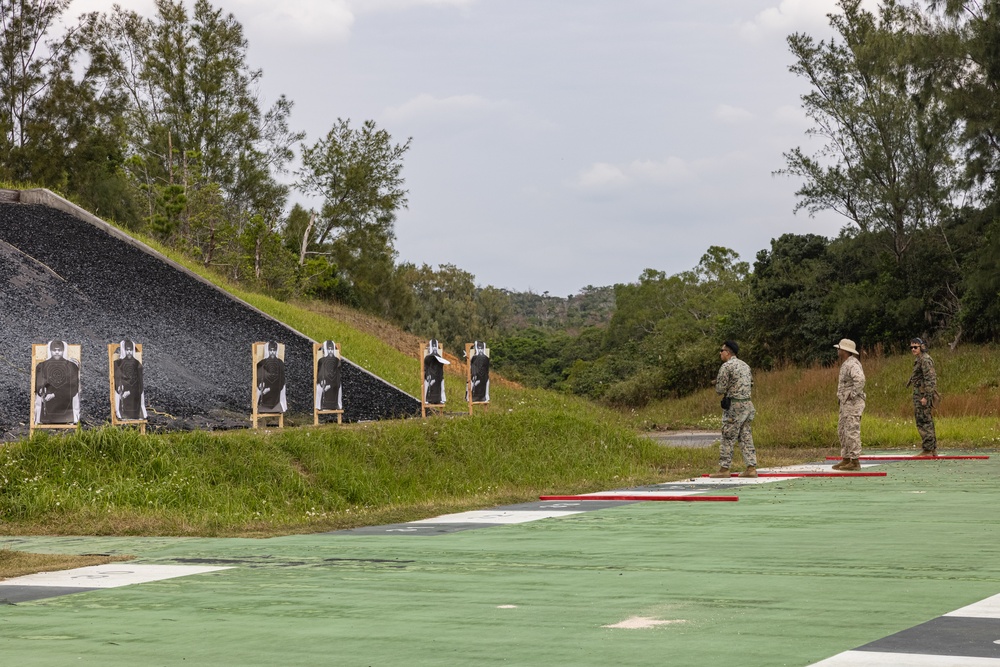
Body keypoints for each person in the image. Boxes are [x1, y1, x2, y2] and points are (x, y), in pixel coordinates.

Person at [709, 340, 758, 478]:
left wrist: (717, 384)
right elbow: (751, 383)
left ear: (728, 352)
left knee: (727, 436)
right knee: (746, 436)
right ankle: (751, 467)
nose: (720, 353)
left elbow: (720, 389)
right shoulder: (745, 365)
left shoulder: (726, 366)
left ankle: (724, 469)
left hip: (734, 406)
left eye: (721, 350)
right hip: (747, 405)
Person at [832, 338, 866, 471]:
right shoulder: (846, 363)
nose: (838, 350)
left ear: (845, 350)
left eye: (840, 348)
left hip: (853, 404)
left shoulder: (852, 364)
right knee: (842, 430)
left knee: (852, 431)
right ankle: (846, 458)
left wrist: (852, 394)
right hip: (845, 404)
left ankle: (855, 460)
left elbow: (860, 380)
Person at [34, 340, 80, 425]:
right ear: (50, 351)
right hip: (47, 407)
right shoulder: (41, 366)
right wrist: (41, 389)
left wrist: (55, 394)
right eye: (54, 350)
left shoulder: (72, 366)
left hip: (66, 408)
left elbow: (73, 387)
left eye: (59, 350)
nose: (57, 352)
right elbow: (38, 383)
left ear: (63, 351)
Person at [906, 337, 938, 455]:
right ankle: (931, 448)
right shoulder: (920, 359)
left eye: (915, 347)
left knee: (924, 420)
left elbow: (930, 380)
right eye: (911, 347)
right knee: (923, 419)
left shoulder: (925, 360)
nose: (913, 349)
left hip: (923, 394)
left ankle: (928, 448)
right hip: (919, 393)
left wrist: (926, 397)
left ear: (922, 347)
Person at [113, 339, 147, 420]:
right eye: (127, 350)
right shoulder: (118, 363)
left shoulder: (137, 363)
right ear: (124, 350)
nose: (129, 352)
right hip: (124, 390)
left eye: (131, 350)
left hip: (134, 392)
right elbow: (118, 379)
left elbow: (140, 381)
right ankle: (121, 415)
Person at [256, 341, 286, 414]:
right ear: (268, 351)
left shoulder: (280, 363)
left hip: (275, 391)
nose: (272, 352)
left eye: (274, 350)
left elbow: (282, 380)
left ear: (276, 351)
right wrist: (260, 385)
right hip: (264, 390)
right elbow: (258, 376)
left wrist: (270, 388)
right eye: (270, 350)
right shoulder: (262, 363)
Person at [315, 340, 343, 411]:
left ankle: (338, 405)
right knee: (319, 388)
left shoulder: (336, 360)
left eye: (331, 349)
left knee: (338, 386)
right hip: (326, 381)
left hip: (333, 381)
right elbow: (322, 373)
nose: (330, 351)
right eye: (328, 349)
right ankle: (319, 406)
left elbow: (337, 373)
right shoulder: (322, 360)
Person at [423, 339, 450, 405]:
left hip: (438, 377)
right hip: (430, 377)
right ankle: (428, 399)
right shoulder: (428, 358)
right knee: (429, 385)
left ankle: (441, 399)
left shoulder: (437, 357)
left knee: (440, 385)